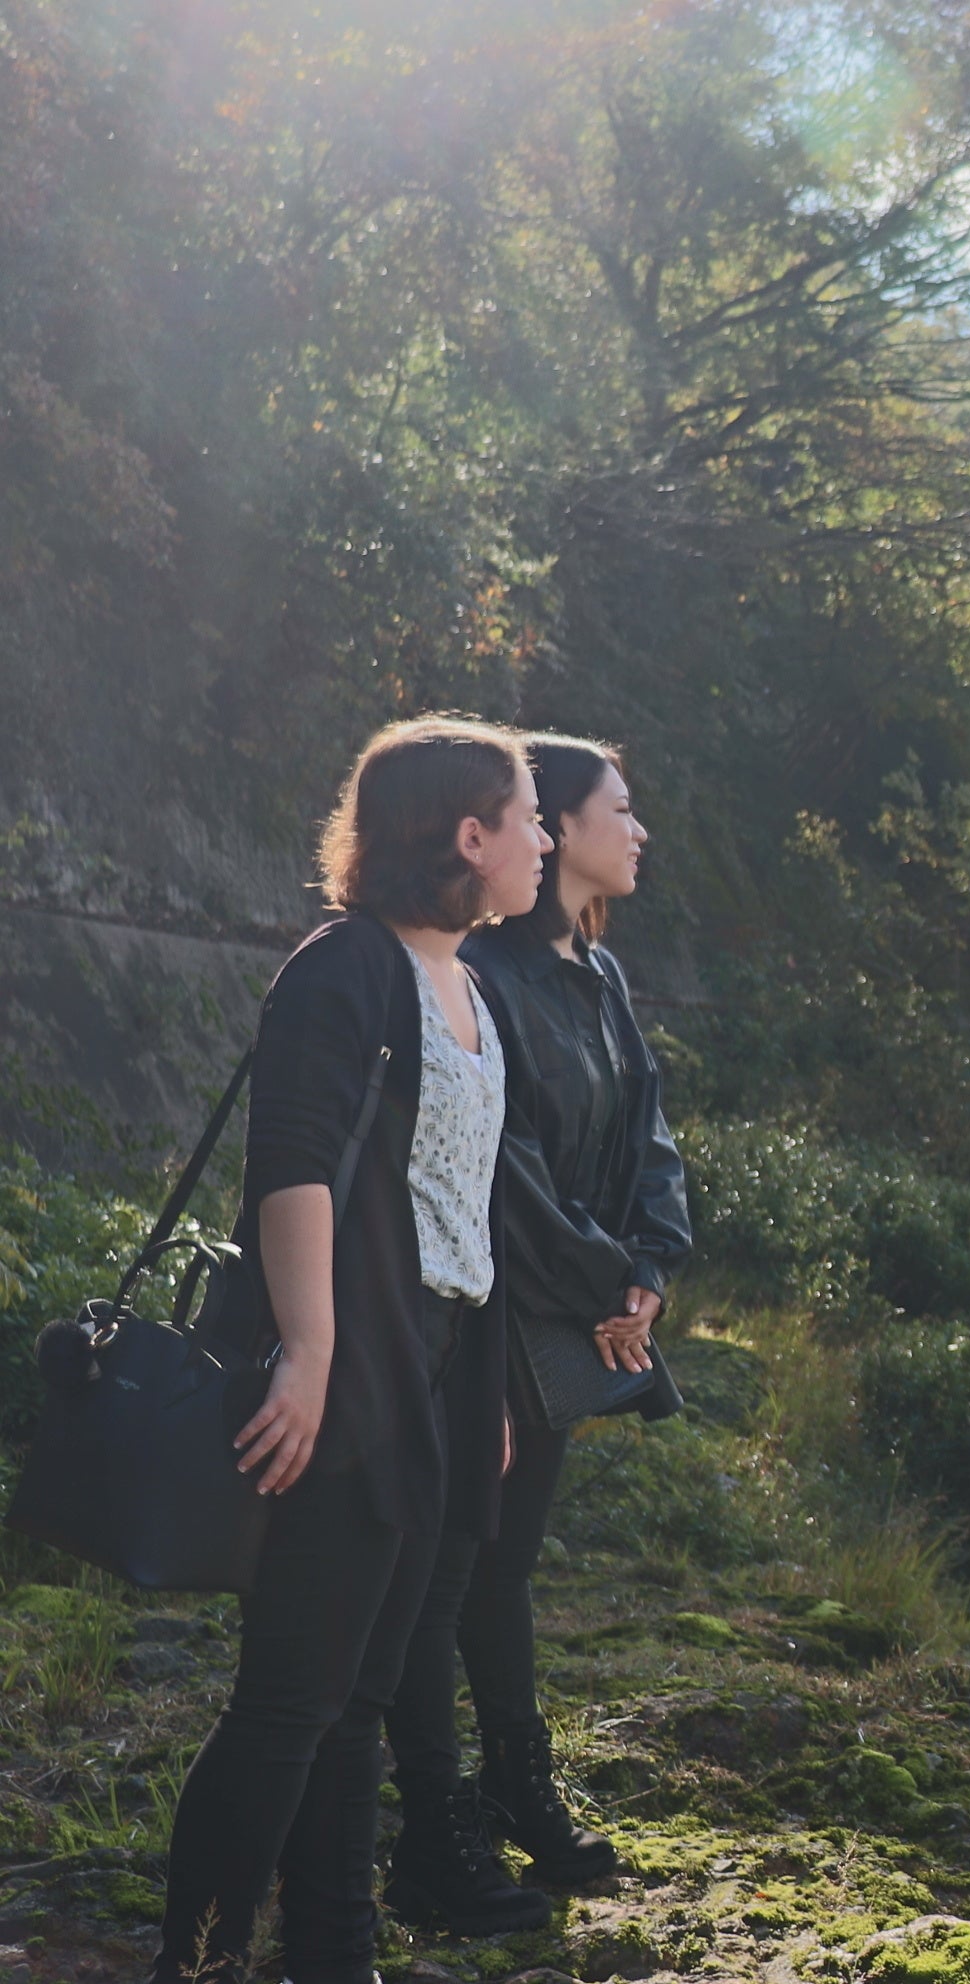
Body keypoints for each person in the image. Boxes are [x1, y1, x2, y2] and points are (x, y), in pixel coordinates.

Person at [154, 717, 543, 1984]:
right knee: (290, 1701)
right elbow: (295, 1168)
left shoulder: (475, 990)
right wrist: (309, 1352)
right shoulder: (345, 967)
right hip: (351, 1362)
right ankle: (200, 1960)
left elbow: (466, 1214)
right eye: (527, 813)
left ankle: (334, 1953)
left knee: (361, 1699)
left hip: (432, 1373)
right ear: (467, 835)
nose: (540, 837)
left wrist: (475, 1391)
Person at [382, 734, 691, 1929]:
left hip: (578, 1313)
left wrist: (647, 1273)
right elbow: (503, 1172)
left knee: (500, 1567)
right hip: (496, 1309)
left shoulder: (600, 975)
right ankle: (449, 1815)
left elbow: (651, 1135)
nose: (637, 827)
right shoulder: (490, 975)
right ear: (547, 823)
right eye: (622, 805)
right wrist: (608, 1278)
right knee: (458, 1569)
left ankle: (513, 1789)